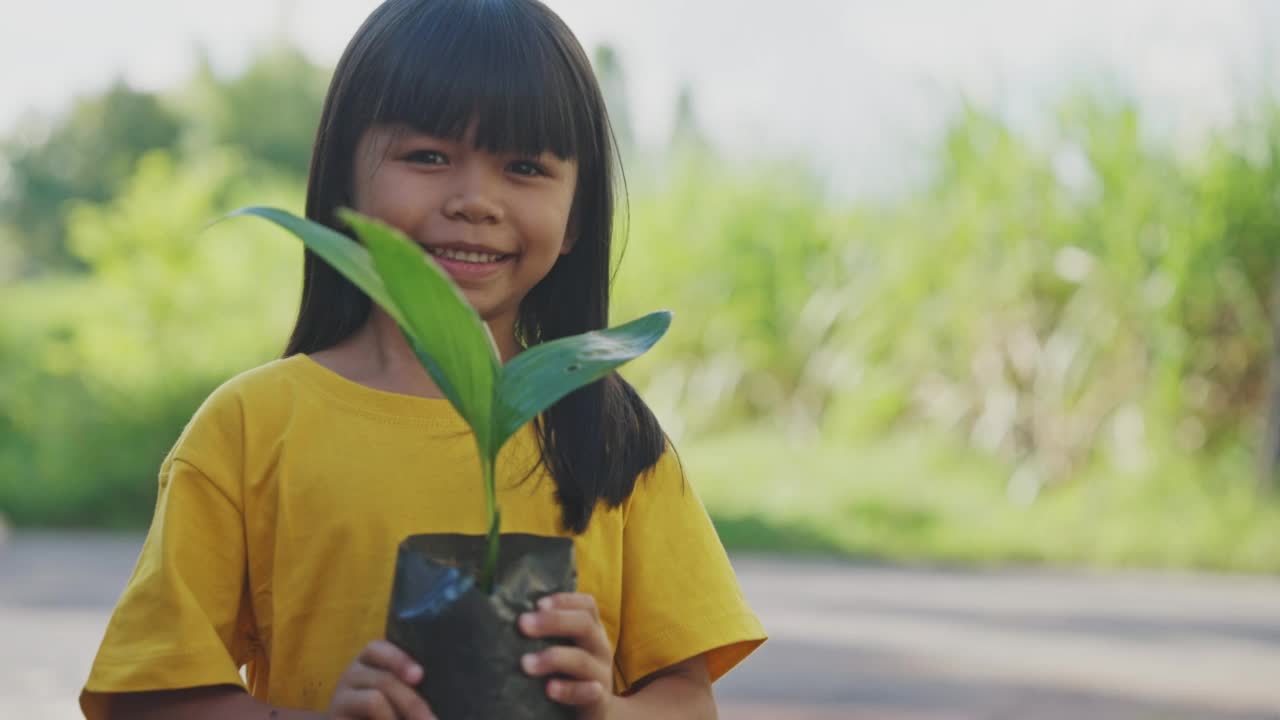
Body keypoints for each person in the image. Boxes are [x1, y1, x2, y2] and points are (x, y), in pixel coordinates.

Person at [80, 1, 766, 718]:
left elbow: (688, 700)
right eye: (429, 157)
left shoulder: (606, 426)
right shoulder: (250, 427)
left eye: (525, 167)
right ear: (344, 177)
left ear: (577, 220)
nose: (476, 201)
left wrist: (608, 710)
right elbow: (144, 700)